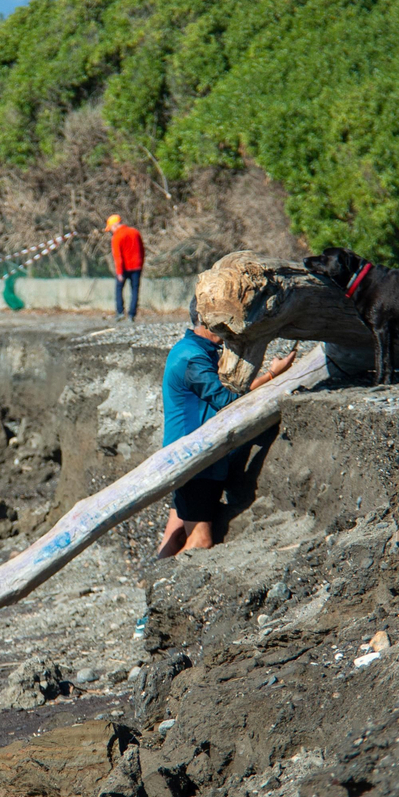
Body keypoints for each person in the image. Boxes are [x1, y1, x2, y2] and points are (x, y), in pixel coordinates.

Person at [156, 297, 296, 559]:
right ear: (208, 321)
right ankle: (168, 589)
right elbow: (228, 402)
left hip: (182, 457)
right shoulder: (193, 359)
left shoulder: (191, 350)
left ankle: (155, 582)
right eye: (225, 320)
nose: (231, 326)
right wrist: (274, 375)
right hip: (195, 462)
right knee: (201, 540)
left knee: (174, 533)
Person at [106, 214, 144, 322]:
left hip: (124, 268)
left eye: (110, 229)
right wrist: (141, 264)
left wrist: (119, 272)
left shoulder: (116, 236)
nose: (111, 231)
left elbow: (117, 256)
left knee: (119, 289)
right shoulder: (135, 232)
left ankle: (120, 312)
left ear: (114, 226)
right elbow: (142, 250)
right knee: (135, 290)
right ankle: (132, 315)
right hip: (137, 266)